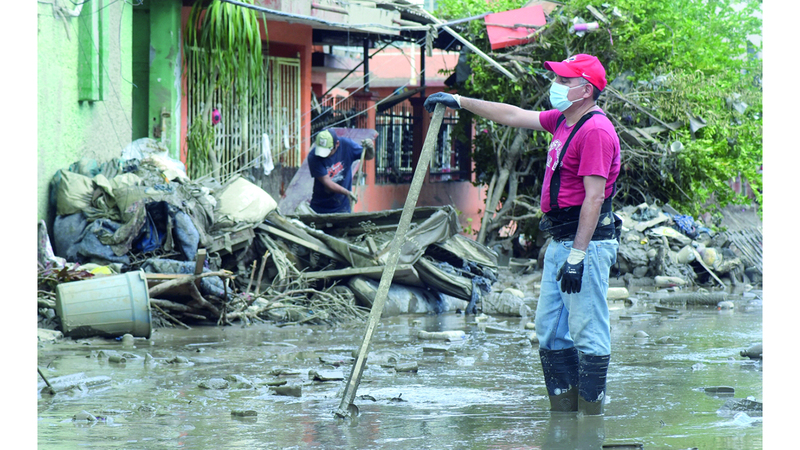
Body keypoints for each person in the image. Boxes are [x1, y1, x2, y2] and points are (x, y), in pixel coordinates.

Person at [424, 54, 621, 416]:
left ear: (586, 90)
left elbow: (594, 197)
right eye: (558, 78)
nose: (557, 86)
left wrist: (578, 257)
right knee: (550, 332)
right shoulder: (564, 120)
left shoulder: (595, 130)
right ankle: (564, 422)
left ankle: (591, 427)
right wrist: (460, 102)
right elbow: (513, 115)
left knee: (588, 333)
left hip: (586, 245)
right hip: (561, 241)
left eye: (565, 80)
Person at [307, 128, 374, 214]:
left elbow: (368, 156)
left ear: (337, 144)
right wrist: (347, 193)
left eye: (327, 151)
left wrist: (370, 148)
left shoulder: (347, 146)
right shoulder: (313, 156)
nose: (323, 155)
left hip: (342, 207)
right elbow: (327, 182)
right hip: (320, 207)